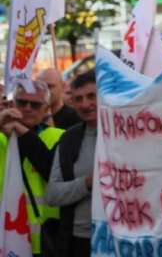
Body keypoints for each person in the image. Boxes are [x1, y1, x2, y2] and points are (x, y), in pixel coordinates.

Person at [0, 81, 66, 256]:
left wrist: (21, 132)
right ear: (13, 104)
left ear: (46, 109)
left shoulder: (60, 136)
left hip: (43, 242)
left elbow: (52, 171)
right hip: (5, 239)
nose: (28, 108)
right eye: (22, 103)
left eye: (35, 104)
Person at [46, 71, 98, 257]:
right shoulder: (69, 139)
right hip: (79, 242)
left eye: (92, 96)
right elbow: (52, 194)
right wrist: (87, 183)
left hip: (123, 238)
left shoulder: (126, 133)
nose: (85, 104)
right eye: (78, 98)